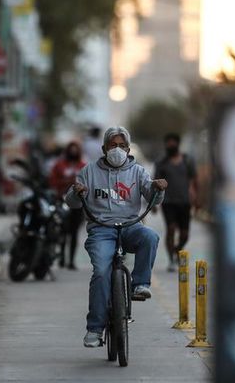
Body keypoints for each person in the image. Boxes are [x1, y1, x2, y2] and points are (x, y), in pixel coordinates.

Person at [65, 126, 167, 348]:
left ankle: (139, 284)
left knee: (150, 236)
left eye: (122, 146)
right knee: (101, 272)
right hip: (101, 230)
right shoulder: (88, 171)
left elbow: (152, 197)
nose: (118, 150)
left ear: (129, 148)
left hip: (130, 226)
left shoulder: (138, 172)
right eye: (113, 145)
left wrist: (158, 188)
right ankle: (94, 329)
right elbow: (71, 202)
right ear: (104, 148)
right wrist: (76, 192)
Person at [154, 133, 198, 272]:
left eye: (173, 142)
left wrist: (195, 197)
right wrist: (154, 203)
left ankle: (178, 250)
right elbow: (155, 182)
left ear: (178, 144)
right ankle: (171, 259)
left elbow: (193, 180)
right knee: (171, 229)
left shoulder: (187, 160)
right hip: (168, 202)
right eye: (168, 143)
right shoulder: (162, 163)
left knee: (184, 234)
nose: (171, 145)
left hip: (185, 202)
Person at [49, 141, 87, 270]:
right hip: (62, 200)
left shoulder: (83, 166)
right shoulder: (59, 165)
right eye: (71, 150)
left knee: (74, 232)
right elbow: (52, 181)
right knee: (63, 231)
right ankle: (62, 259)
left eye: (76, 150)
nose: (73, 152)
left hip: (78, 203)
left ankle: (71, 260)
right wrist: (66, 182)